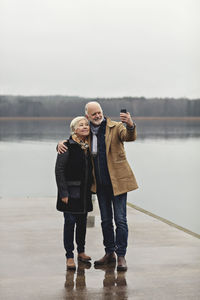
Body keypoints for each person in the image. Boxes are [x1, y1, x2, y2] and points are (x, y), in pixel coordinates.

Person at [57, 102, 138, 271]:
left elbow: (129, 136)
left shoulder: (115, 127)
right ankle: (110, 253)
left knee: (120, 221)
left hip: (118, 183)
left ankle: (121, 255)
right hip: (100, 186)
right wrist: (59, 144)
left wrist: (129, 124)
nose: (97, 116)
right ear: (87, 116)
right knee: (106, 221)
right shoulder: (87, 134)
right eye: (93, 114)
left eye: (99, 112)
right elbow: (73, 141)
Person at [55, 116, 93, 270]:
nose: (85, 127)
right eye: (81, 125)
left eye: (86, 125)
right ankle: (69, 255)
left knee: (82, 224)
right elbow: (59, 171)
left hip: (84, 193)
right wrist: (63, 193)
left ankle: (81, 252)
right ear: (74, 129)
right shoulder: (66, 146)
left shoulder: (89, 145)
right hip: (70, 193)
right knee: (70, 224)